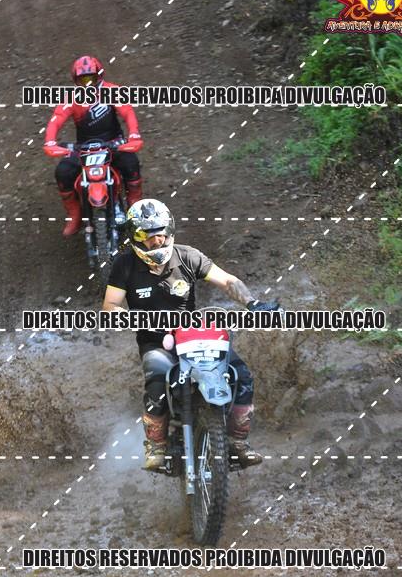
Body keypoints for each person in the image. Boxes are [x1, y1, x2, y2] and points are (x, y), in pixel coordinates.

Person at [102, 199, 279, 471]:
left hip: (193, 335)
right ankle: (156, 445)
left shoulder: (187, 256)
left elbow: (227, 281)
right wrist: (128, 318)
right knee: (158, 379)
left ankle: (237, 442)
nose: (156, 242)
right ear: (135, 238)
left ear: (169, 231)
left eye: (160, 235)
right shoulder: (124, 265)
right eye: (147, 237)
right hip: (154, 341)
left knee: (241, 374)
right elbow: (110, 305)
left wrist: (253, 304)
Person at [43, 56, 143, 237]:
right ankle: (75, 215)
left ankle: (134, 204)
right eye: (83, 80)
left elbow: (127, 112)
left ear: (99, 76)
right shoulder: (72, 98)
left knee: (131, 164)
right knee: (63, 172)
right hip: (84, 147)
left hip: (113, 142)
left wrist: (134, 135)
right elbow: (56, 119)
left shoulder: (112, 91)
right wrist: (50, 140)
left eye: (91, 78)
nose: (88, 84)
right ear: (76, 81)